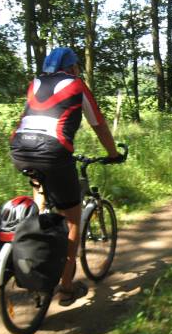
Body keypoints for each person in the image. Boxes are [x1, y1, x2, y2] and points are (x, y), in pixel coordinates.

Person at [10, 47, 123, 306]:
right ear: (72, 68)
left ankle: (33, 239)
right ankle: (67, 287)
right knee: (72, 218)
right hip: (53, 152)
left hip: (19, 149)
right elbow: (99, 124)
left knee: (41, 192)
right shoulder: (77, 85)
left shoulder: (35, 83)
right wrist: (113, 153)